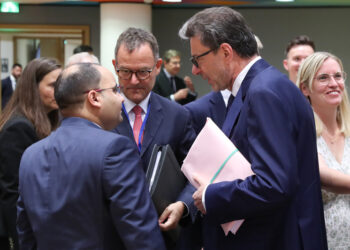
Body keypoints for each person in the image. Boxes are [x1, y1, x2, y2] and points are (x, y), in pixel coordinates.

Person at [179, 7, 327, 250]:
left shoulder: (262, 92)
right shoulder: (267, 84)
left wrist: (211, 196)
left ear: (225, 51)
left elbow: (275, 184)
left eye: (198, 59)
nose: (195, 70)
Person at [17, 63, 166, 250]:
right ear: (94, 97)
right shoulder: (115, 148)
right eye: (114, 90)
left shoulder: (31, 155)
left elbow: (26, 233)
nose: (121, 99)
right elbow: (140, 232)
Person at [111, 27, 196, 249]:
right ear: (114, 67)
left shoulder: (177, 115)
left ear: (158, 67)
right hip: (111, 234)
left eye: (143, 72)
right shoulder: (100, 114)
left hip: (164, 236)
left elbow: (194, 171)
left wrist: (182, 205)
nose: (134, 81)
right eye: (125, 72)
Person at [0, 58, 61, 250]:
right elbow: (10, 193)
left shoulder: (47, 121)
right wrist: (19, 242)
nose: (59, 91)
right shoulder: (19, 127)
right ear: (33, 88)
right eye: (53, 85)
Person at [296, 52, 350, 249]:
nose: (334, 83)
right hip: (324, 242)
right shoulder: (303, 132)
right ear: (305, 88)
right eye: (323, 78)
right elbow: (323, 176)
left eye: (337, 76)